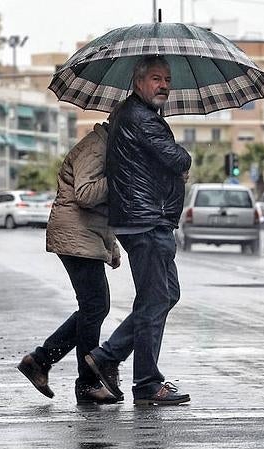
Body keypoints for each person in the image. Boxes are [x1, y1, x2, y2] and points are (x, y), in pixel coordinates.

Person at [85, 55, 192, 406]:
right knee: (155, 300)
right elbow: (176, 160)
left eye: (167, 80)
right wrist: (183, 158)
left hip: (149, 219)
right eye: (157, 79)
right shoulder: (141, 117)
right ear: (138, 82)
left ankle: (108, 356)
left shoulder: (139, 116)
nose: (164, 85)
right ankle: (146, 383)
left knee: (165, 296)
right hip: (146, 220)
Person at [17, 122, 121, 404]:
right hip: (76, 233)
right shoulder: (97, 147)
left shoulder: (109, 147)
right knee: (95, 306)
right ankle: (86, 383)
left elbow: (102, 208)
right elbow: (86, 195)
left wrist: (111, 245)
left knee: (94, 306)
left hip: (85, 234)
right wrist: (118, 175)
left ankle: (40, 360)